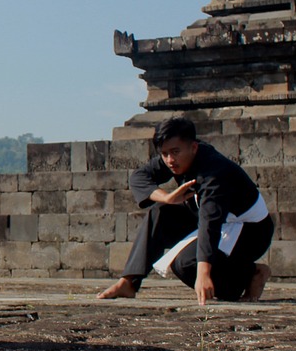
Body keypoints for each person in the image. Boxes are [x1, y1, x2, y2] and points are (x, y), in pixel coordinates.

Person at [96, 117, 272, 305]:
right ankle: (129, 282)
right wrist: (166, 197)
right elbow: (139, 177)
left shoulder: (214, 173)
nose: (170, 160)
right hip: (207, 217)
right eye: (164, 154)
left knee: (186, 264)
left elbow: (210, 223)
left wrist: (203, 274)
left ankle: (251, 274)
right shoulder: (175, 157)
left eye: (175, 152)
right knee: (160, 213)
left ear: (193, 147)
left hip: (250, 231)